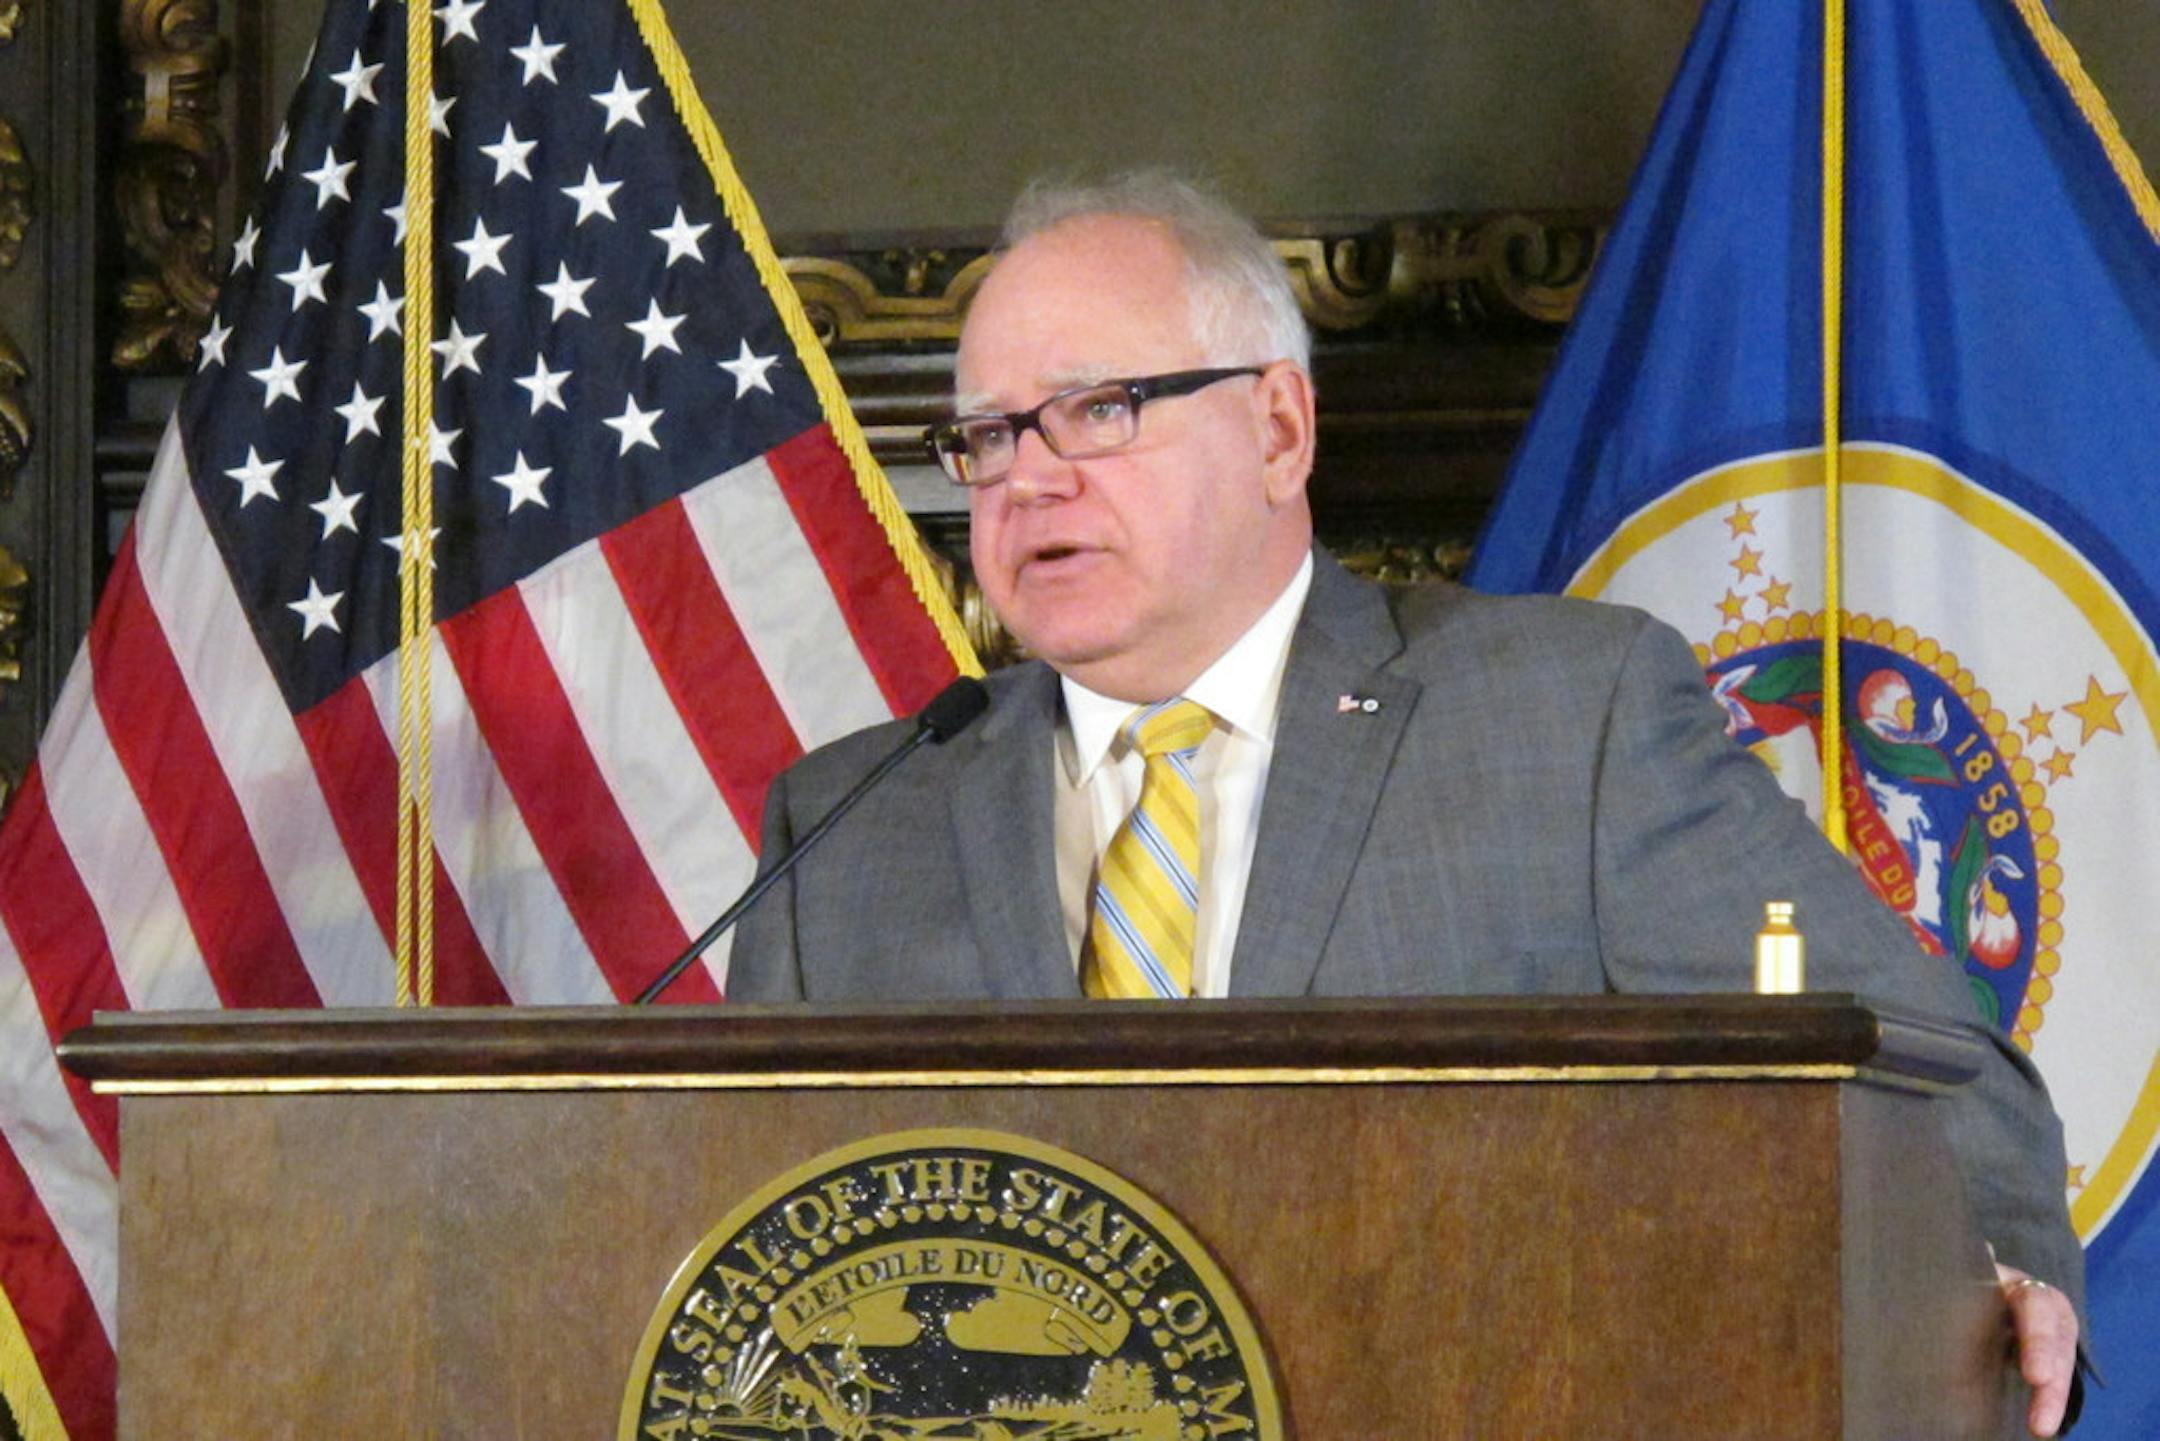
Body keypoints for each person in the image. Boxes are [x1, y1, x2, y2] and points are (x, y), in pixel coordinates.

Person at [729, 172, 2085, 1434]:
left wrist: (1991, 1277)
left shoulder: (1567, 722)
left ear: (1276, 427)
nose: (1027, 478)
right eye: (986, 437)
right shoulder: (850, 828)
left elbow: (1925, 1067)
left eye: (1097, 411)